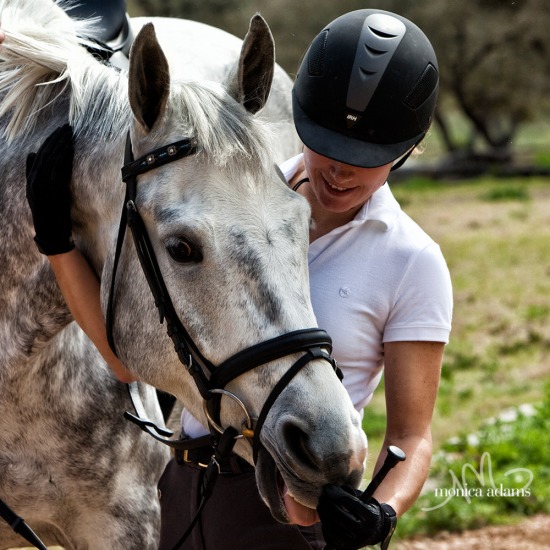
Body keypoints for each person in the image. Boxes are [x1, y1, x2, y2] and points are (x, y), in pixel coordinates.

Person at [18, 8, 452, 550]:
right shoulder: (239, 204)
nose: (340, 170)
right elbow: (124, 361)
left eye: (366, 158)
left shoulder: (410, 260)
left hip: (288, 502)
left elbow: (412, 437)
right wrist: (57, 244)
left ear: (407, 150)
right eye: (327, 145)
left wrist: (382, 511)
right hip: (179, 490)